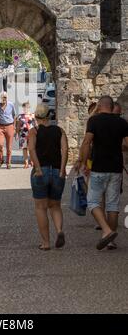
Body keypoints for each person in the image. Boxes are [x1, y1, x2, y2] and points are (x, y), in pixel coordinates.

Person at [79, 96, 128, 250]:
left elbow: (87, 142)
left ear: (100, 106)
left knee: (92, 201)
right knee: (112, 204)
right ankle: (111, 240)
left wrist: (84, 162)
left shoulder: (94, 121)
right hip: (116, 168)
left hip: (99, 167)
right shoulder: (122, 122)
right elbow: (127, 144)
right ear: (112, 106)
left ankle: (106, 231)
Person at [29, 104, 68, 250]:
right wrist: (62, 169)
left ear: (36, 117)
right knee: (55, 205)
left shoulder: (34, 131)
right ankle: (59, 230)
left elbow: (31, 149)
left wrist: (38, 168)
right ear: (49, 117)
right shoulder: (60, 131)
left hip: (41, 172)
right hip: (57, 171)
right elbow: (65, 150)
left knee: (40, 207)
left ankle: (46, 243)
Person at [0, 92, 16, 169]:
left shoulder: (11, 105)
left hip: (10, 126)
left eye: (5, 97)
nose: (4, 99)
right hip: (0, 127)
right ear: (0, 98)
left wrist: (14, 126)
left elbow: (14, 115)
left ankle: (8, 163)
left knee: (9, 147)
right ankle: (1, 160)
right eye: (2, 97)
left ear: (7, 98)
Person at [16, 102, 35, 168]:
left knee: (31, 148)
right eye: (24, 107)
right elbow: (18, 126)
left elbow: (36, 125)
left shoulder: (32, 115)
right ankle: (26, 163)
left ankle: (32, 161)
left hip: (31, 134)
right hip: (23, 135)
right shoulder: (20, 116)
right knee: (24, 149)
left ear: (29, 108)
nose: (25, 109)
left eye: (26, 107)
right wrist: (17, 134)